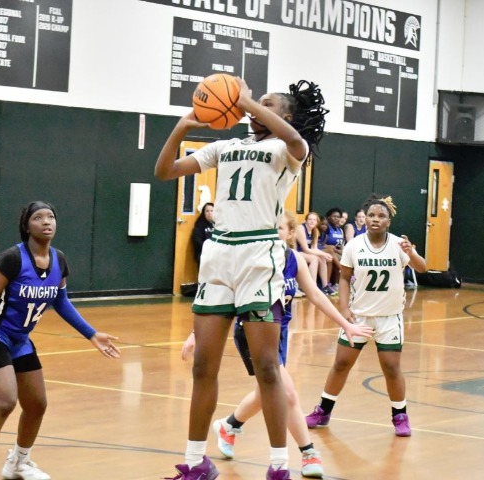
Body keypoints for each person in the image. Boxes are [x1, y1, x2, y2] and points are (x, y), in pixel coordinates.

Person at [155, 77, 328, 480]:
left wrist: (247, 100)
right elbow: (164, 171)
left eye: (266, 103)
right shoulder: (226, 146)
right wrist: (182, 126)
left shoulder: (289, 149)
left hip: (258, 256)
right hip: (219, 256)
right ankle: (196, 463)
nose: (251, 106)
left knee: (267, 368)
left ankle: (279, 465)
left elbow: (294, 138)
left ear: (286, 116)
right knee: (203, 367)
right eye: (252, 101)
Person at [181, 211, 373, 478]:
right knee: (287, 393)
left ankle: (229, 425)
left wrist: (346, 324)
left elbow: (316, 294)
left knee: (266, 392)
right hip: (251, 333)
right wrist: (196, 334)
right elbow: (225, 298)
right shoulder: (253, 260)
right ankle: (307, 452)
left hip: (279, 334)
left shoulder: (294, 259)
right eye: (270, 229)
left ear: (291, 233)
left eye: (279, 229)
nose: (274, 233)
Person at [0, 201, 121, 480]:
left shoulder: (59, 260)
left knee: (37, 404)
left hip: (20, 340)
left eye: (51, 216)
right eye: (38, 217)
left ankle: (18, 463)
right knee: (5, 400)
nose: (46, 221)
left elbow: (61, 301)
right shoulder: (12, 259)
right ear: (26, 226)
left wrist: (91, 333)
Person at [305, 194, 427, 437]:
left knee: (391, 367)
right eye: (371, 215)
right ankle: (323, 410)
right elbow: (344, 277)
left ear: (389, 221)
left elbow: (422, 268)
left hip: (389, 317)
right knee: (341, 363)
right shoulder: (354, 245)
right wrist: (344, 308)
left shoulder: (398, 245)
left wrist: (411, 253)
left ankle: (400, 415)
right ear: (366, 219)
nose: (375, 219)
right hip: (358, 316)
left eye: (381, 216)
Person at [295, 212, 332, 295]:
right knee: (314, 258)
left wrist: (324, 255)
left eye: (314, 220)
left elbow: (314, 248)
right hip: (295, 252)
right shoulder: (301, 229)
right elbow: (305, 249)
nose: (312, 221)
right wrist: (324, 254)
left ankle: (325, 286)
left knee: (322, 258)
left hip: (303, 253)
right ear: (306, 221)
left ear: (317, 222)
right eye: (310, 219)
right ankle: (312, 287)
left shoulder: (315, 231)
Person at [319, 207, 345, 292]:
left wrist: (340, 251)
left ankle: (337, 284)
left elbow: (341, 246)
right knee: (332, 256)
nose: (336, 218)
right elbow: (322, 243)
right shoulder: (326, 227)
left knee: (345, 258)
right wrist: (329, 247)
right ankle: (328, 283)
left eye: (338, 217)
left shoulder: (340, 230)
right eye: (334, 216)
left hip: (336, 251)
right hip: (327, 251)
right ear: (329, 217)